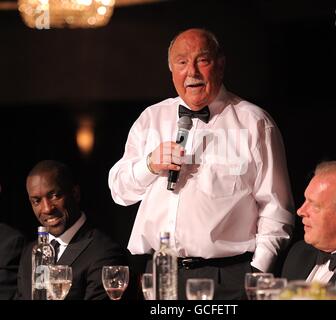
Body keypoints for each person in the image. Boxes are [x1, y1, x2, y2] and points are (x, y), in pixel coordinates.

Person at [108, 28, 294, 299]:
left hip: (226, 278)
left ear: (220, 64)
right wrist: (148, 165)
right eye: (182, 62)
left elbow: (277, 209)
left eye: (202, 60)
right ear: (171, 69)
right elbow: (119, 192)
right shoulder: (151, 118)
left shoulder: (255, 123)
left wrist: (256, 274)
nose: (191, 71)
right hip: (158, 275)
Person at [16, 160, 129, 300]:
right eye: (37, 201)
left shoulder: (104, 252)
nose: (47, 208)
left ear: (75, 193)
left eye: (54, 196)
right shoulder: (29, 253)